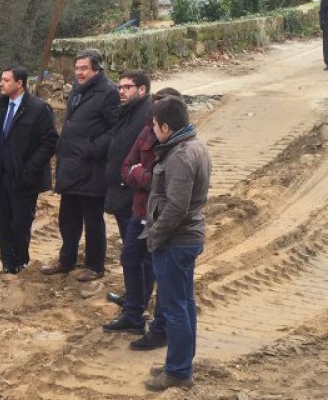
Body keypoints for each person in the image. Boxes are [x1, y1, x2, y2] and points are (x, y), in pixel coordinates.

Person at [142, 96, 212, 391]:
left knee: (175, 307)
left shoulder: (181, 156)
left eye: (155, 126)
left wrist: (155, 236)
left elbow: (176, 206)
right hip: (183, 239)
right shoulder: (193, 146)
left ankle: (179, 372)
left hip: (176, 241)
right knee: (183, 304)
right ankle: (180, 362)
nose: (153, 131)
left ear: (166, 127)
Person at [109, 88, 185, 355]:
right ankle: (132, 314)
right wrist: (140, 174)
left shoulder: (176, 147)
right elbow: (127, 165)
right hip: (139, 210)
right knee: (129, 259)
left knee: (160, 271)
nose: (152, 118)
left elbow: (157, 180)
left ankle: (160, 329)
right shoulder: (146, 131)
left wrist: (140, 175)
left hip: (159, 217)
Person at [41, 49, 119, 282]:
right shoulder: (77, 90)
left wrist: (92, 148)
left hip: (92, 169)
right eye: (77, 68)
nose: (79, 73)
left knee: (92, 220)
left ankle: (95, 265)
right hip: (70, 166)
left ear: (97, 68)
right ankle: (67, 260)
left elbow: (115, 129)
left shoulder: (109, 93)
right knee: (68, 218)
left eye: (84, 68)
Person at [0, 67, 58, 275]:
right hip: (2, 175)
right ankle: (7, 263)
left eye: (6, 80)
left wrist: (30, 169)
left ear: (19, 83)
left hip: (25, 177)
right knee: (3, 221)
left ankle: (21, 261)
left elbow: (49, 142)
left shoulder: (39, 109)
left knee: (21, 221)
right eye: (1, 79)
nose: (1, 83)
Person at [101, 70, 153, 333]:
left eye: (127, 87)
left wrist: (129, 174)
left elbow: (139, 161)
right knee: (132, 253)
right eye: (119, 87)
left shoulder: (145, 116)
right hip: (123, 190)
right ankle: (134, 298)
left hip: (133, 194)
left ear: (142, 90)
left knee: (137, 256)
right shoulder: (128, 112)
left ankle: (138, 302)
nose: (121, 91)